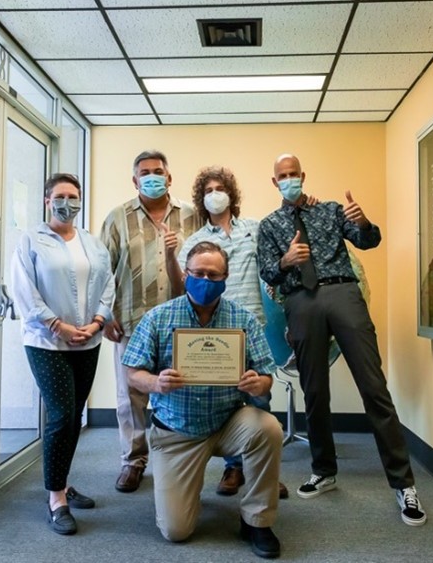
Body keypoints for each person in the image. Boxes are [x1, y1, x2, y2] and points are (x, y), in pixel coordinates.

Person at [257, 154, 427, 527]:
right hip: (301, 300)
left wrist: (363, 221)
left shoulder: (331, 210)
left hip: (343, 294)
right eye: (282, 176)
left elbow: (369, 241)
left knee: (374, 387)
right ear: (275, 182)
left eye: (293, 174)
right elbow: (267, 271)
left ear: (304, 175)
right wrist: (286, 260)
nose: (289, 180)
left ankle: (404, 485)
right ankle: (324, 470)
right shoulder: (269, 226)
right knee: (315, 391)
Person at [123, 241, 283, 559]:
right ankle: (185, 493)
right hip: (177, 431)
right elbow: (131, 372)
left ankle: (256, 520)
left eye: (214, 275)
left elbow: (267, 378)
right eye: (199, 273)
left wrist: (257, 384)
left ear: (225, 278)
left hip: (227, 422)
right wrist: (156, 382)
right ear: (185, 275)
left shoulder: (244, 320)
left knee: (268, 427)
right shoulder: (158, 318)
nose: (206, 281)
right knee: (176, 531)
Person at [167, 165, 288, 499]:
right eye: (207, 191)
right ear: (201, 200)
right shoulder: (195, 241)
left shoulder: (255, 228)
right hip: (216, 328)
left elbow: (275, 261)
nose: (214, 194)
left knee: (259, 396)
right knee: (229, 399)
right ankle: (234, 468)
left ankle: (263, 470)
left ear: (231, 195)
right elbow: (182, 286)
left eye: (220, 188)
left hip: (253, 325)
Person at [11, 173, 114, 535]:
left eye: (73, 196)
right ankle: (56, 497)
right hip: (46, 341)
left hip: (88, 340)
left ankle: (63, 481)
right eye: (60, 196)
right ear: (46, 200)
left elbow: (108, 284)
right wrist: (58, 326)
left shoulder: (92, 243)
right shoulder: (31, 240)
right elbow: (24, 291)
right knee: (60, 414)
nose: (67, 202)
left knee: (74, 417)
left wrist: (98, 321)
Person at [100, 150, 202, 493]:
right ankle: (133, 460)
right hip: (132, 319)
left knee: (180, 389)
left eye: (159, 171)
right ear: (134, 180)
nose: (152, 176)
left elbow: (205, 264)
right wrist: (105, 316)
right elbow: (103, 271)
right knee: (131, 394)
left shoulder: (192, 216)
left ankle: (178, 458)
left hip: (182, 321)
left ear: (170, 178)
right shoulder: (117, 218)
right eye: (145, 172)